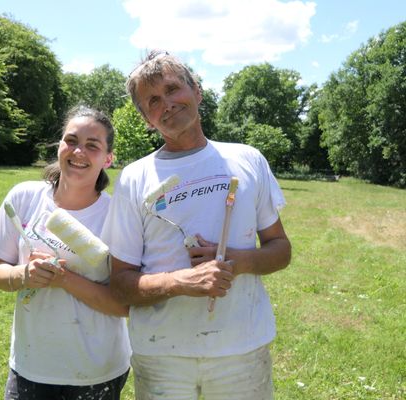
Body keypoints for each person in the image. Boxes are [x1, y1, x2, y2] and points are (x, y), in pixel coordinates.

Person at [101, 51, 292, 400]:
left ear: (197, 91)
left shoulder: (247, 159)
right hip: (162, 355)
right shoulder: (134, 178)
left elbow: (281, 249)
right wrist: (181, 281)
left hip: (242, 349)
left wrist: (238, 261)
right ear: (146, 118)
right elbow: (120, 284)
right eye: (153, 101)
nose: (168, 104)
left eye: (173, 89)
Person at [0, 105, 131, 400]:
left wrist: (64, 279)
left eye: (92, 146)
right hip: (31, 363)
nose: (78, 152)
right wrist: (22, 274)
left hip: (96, 368)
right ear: (60, 145)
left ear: (108, 159)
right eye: (71, 141)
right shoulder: (24, 197)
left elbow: (125, 306)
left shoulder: (118, 215)